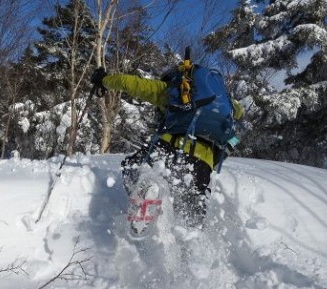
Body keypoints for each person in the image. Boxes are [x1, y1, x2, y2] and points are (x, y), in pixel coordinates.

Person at [90, 64, 244, 230]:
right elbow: (240, 113)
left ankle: (148, 187)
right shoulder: (225, 103)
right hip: (203, 165)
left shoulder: (171, 90)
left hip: (168, 148)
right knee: (191, 217)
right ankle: (191, 244)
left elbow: (129, 83)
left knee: (132, 167)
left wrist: (103, 80)